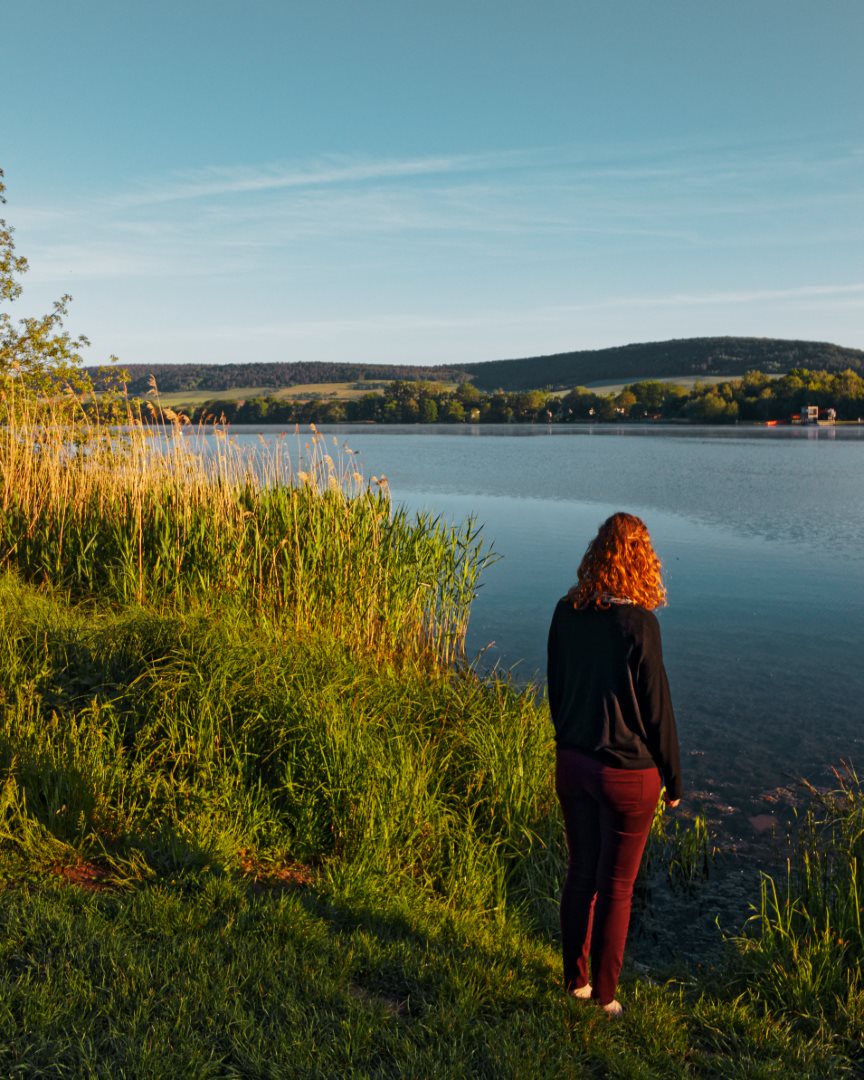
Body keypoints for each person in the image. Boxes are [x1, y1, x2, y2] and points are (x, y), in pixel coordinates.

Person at [547, 512, 682, 1018]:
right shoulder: (639, 624)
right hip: (629, 775)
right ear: (642, 560)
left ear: (595, 553)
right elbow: (658, 710)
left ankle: (574, 983)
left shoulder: (565, 610)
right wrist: (674, 779)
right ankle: (605, 997)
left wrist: (569, 742)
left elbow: (555, 688)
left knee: (580, 871)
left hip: (574, 762)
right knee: (617, 885)